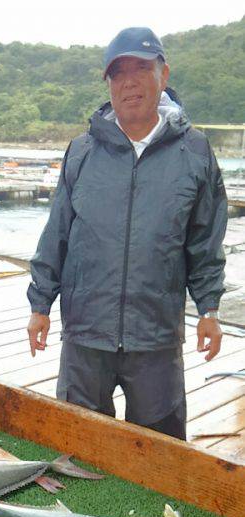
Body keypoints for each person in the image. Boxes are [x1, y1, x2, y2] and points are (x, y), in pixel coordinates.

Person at [26, 27, 227, 440]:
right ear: (108, 84)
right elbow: (57, 233)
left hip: (156, 338)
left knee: (159, 452)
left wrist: (209, 309)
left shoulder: (195, 152)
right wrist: (40, 304)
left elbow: (205, 240)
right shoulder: (82, 151)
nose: (129, 82)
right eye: (118, 73)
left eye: (141, 68)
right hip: (86, 334)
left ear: (163, 75)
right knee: (79, 446)